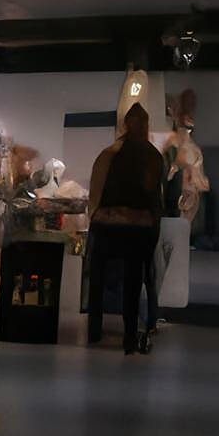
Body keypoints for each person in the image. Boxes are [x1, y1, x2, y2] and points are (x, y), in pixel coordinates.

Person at [86, 103, 164, 354]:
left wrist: (104, 215)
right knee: (136, 280)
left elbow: (96, 199)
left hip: (109, 227)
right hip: (138, 229)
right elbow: (155, 199)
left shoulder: (110, 153)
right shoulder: (152, 156)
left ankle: (95, 331)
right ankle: (130, 336)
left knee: (99, 278)